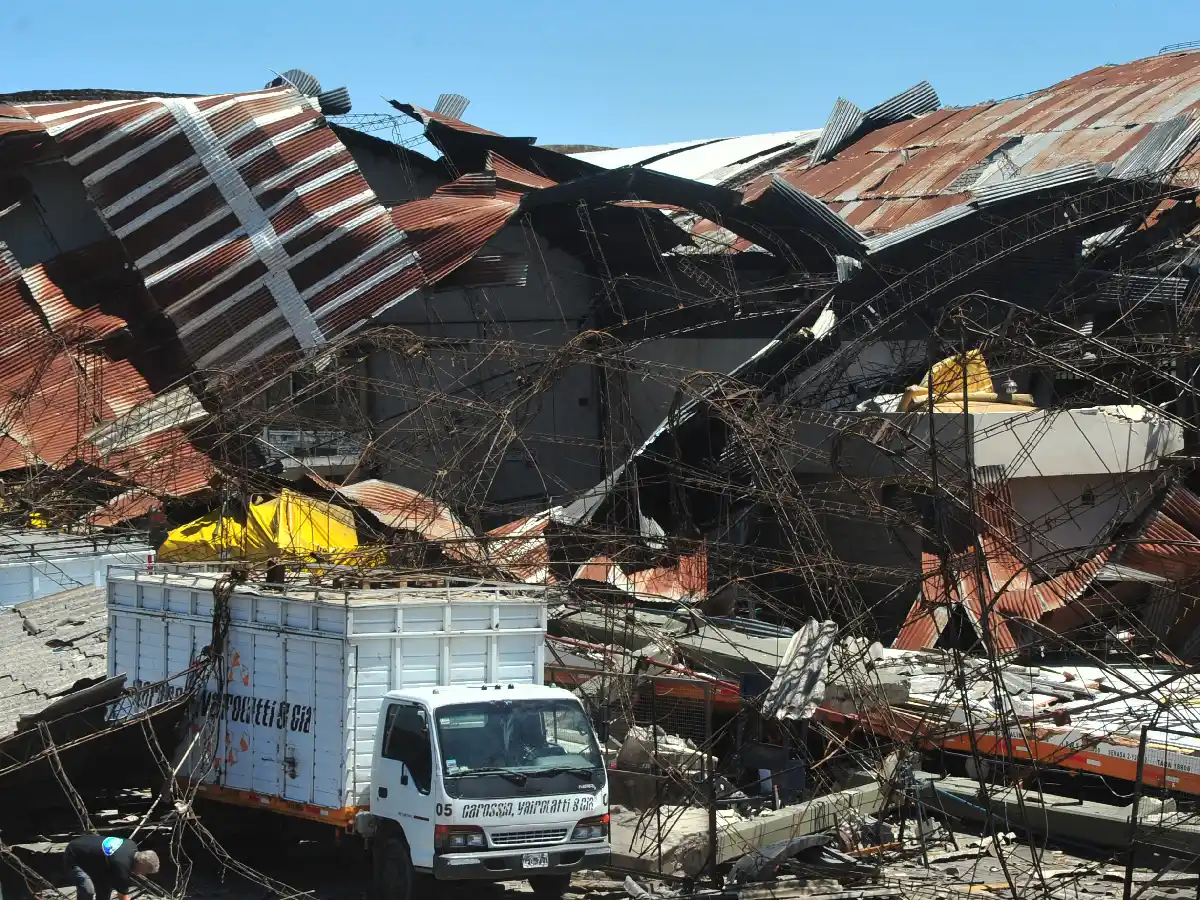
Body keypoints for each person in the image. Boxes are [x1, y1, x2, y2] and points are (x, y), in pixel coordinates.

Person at [63, 834, 159, 900]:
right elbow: (123, 897)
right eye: (145, 871)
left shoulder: (131, 844)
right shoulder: (122, 868)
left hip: (87, 847)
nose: (143, 874)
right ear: (141, 863)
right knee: (88, 890)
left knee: (106, 887)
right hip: (74, 855)